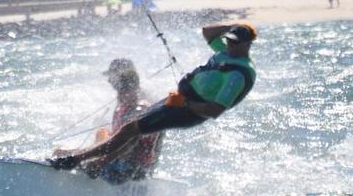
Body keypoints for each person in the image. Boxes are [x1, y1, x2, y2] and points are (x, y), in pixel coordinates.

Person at [50, 22, 257, 175]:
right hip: (178, 101)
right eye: (229, 40)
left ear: (247, 44)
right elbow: (208, 32)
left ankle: (77, 161)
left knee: (131, 129)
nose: (230, 45)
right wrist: (235, 26)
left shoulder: (237, 75)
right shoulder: (225, 53)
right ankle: (85, 160)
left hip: (189, 112)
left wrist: (186, 103)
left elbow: (215, 110)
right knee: (126, 128)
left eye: (235, 42)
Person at [69, 58, 164, 183]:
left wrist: (98, 162)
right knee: (101, 132)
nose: (109, 80)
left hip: (135, 168)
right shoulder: (125, 101)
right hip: (121, 156)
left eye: (111, 76)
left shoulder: (141, 104)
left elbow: (130, 142)